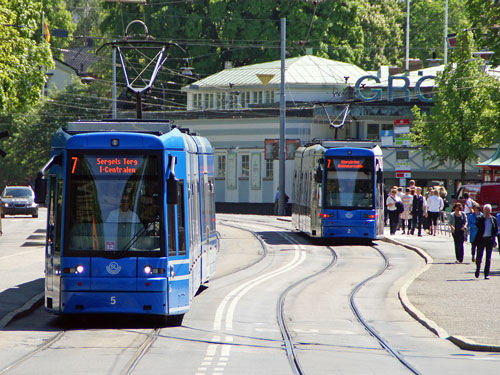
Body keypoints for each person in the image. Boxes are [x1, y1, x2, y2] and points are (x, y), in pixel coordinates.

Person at [474, 204, 499, 279]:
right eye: (486, 212)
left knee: (488, 258)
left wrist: (494, 238)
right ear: (483, 211)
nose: (488, 214)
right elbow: (478, 226)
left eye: (489, 212)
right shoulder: (479, 218)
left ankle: (486, 274)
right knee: (479, 257)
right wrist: (484, 218)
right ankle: (478, 269)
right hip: (481, 239)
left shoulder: (493, 219)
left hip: (489, 239)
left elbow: (495, 230)